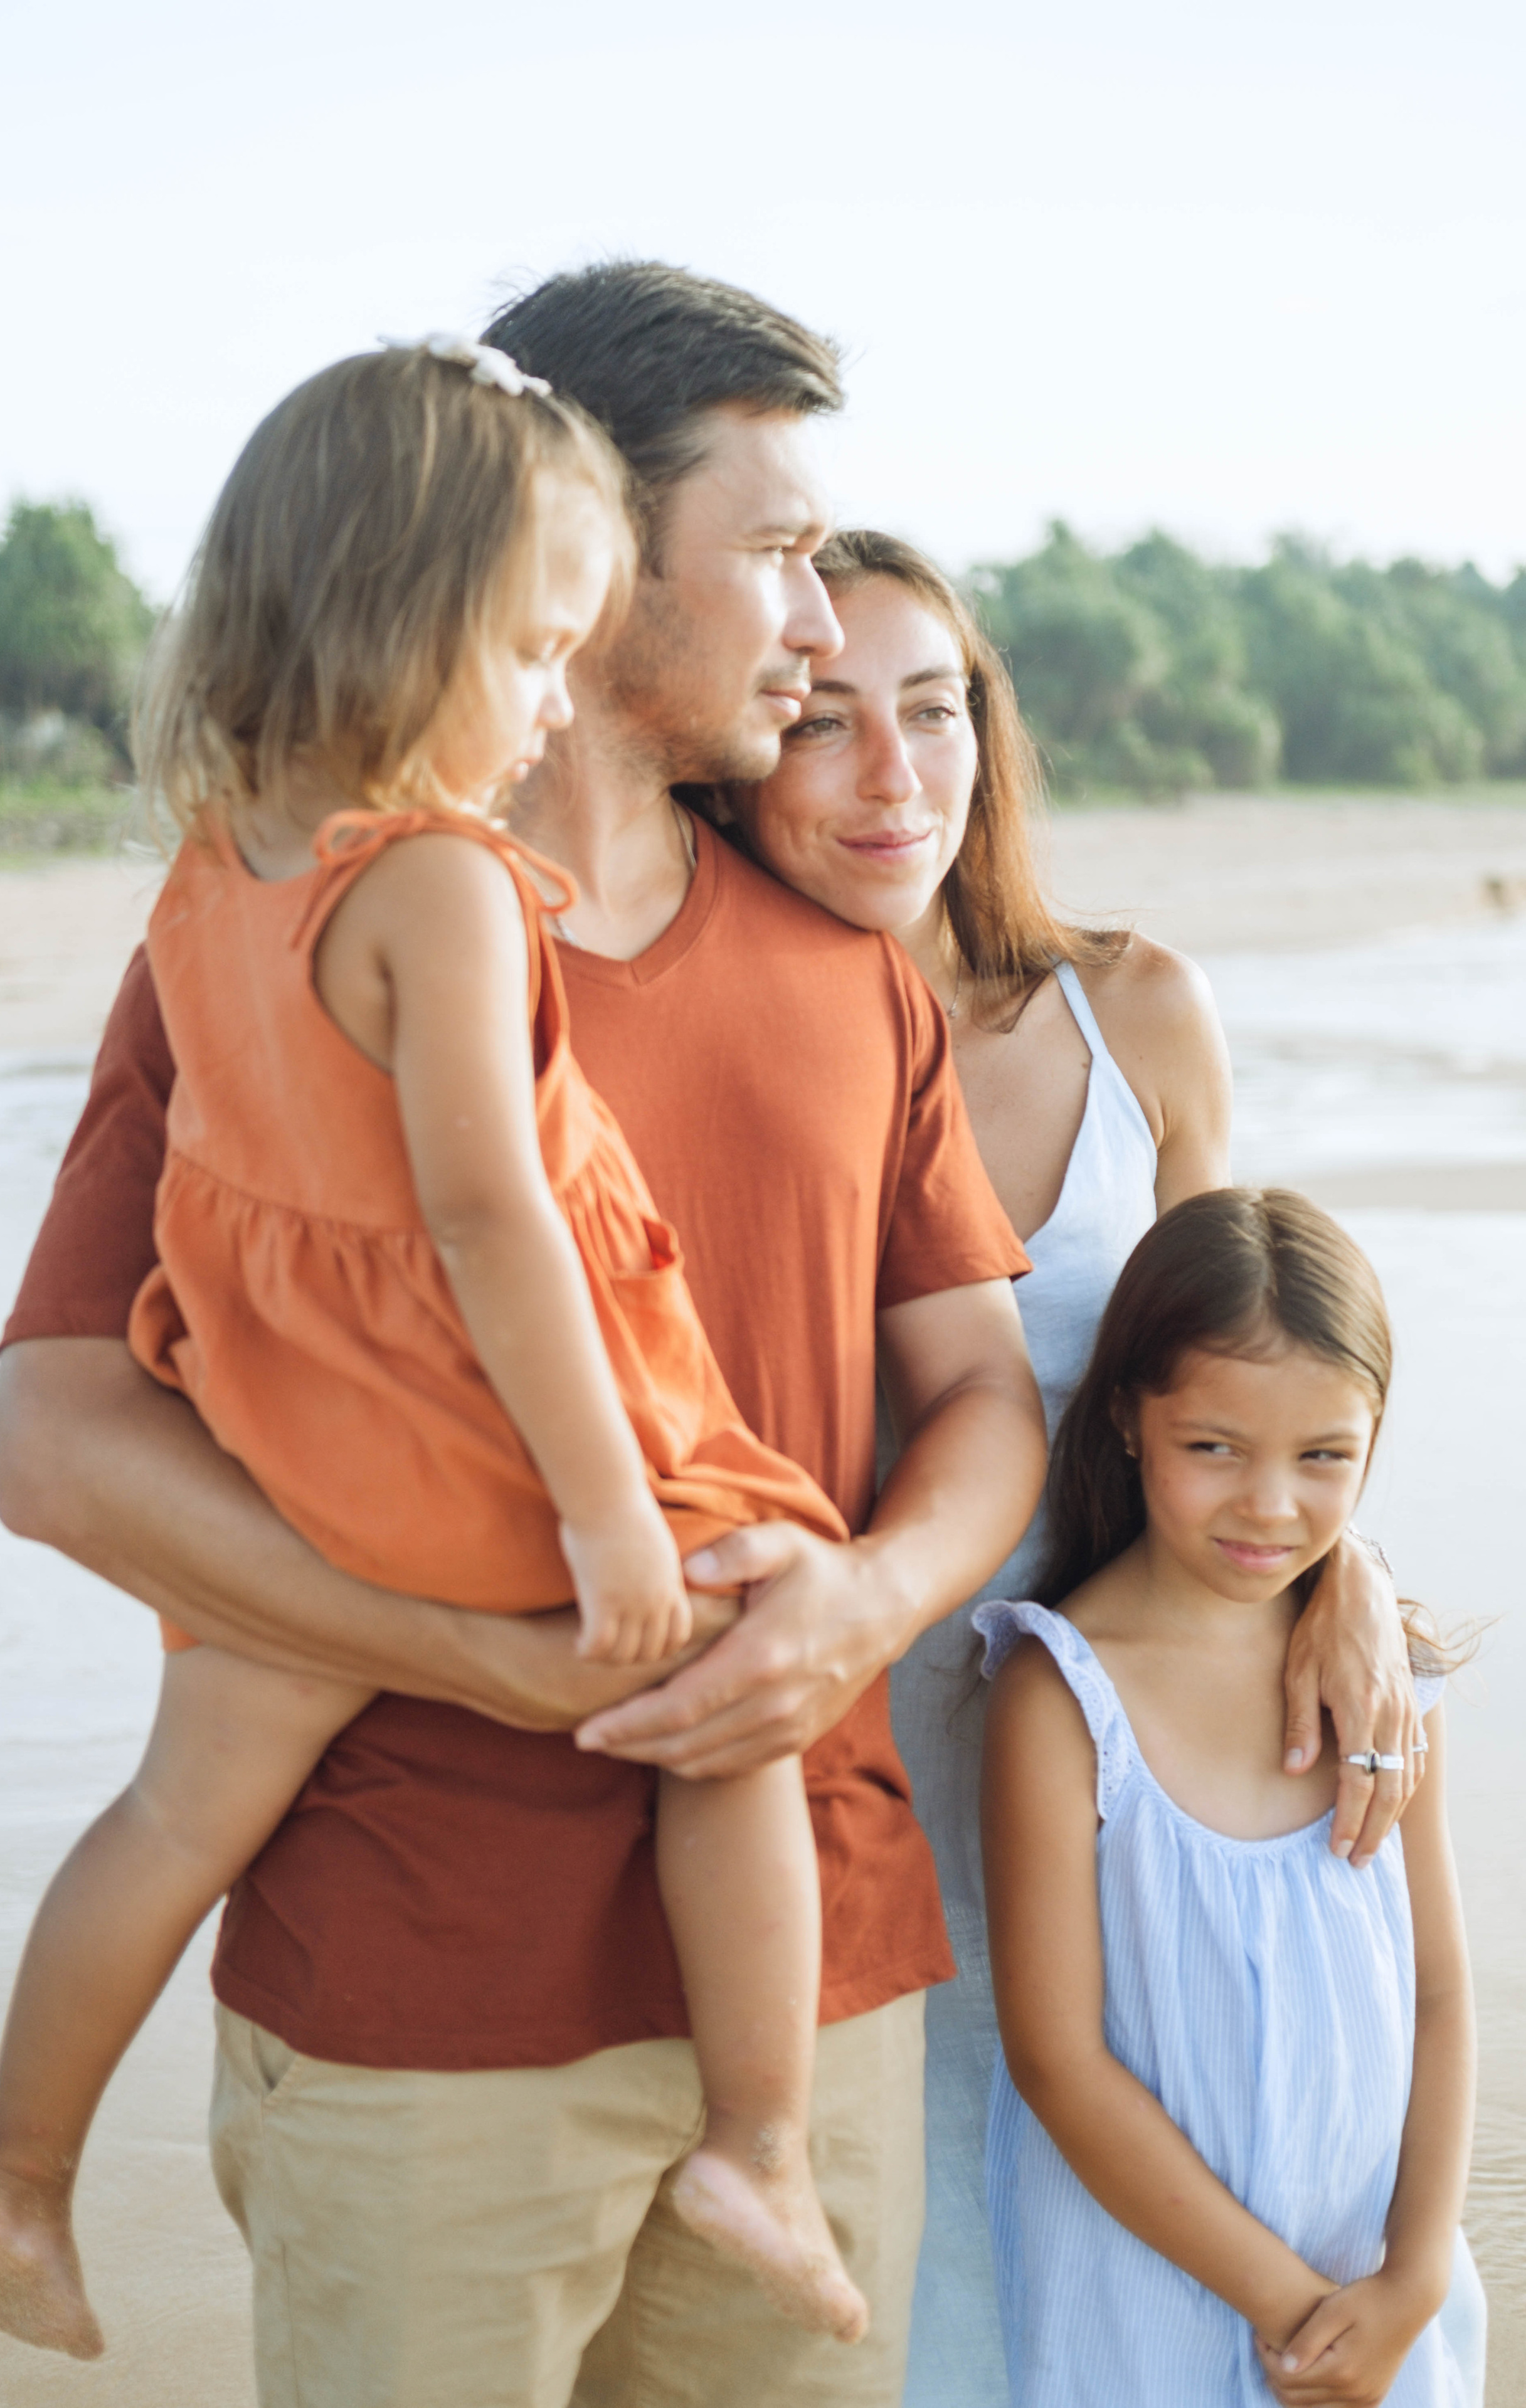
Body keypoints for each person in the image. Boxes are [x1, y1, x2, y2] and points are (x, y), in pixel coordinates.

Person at [0, 265, 1048, 2408]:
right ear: (570, 555)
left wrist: (864, 1601)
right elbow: (56, 1446)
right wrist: (470, 1647)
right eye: (769, 558)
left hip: (813, 2001)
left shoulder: (853, 966)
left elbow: (987, 1409)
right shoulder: (278, 940)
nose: (821, 626)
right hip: (408, 2008)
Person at [716, 529, 1437, 2404]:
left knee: (1268, 2205)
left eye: (938, 709)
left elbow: (1248, 1358)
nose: (898, 772)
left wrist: (1344, 1571)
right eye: (823, 719)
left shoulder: (1135, 1010)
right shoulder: (720, 1049)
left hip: (1170, 1751)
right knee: (954, 2294)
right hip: (883, 1768)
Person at [975, 1187, 1474, 2406]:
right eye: (1214, 1448)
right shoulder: (1061, 1697)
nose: (1268, 1504)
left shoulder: (1379, 1681)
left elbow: (1437, 1991)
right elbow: (1057, 2061)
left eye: (1321, 1459)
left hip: (1379, 2298)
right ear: (1126, 1421)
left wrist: (1409, 2276)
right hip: (1149, 2300)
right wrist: (1291, 2311)